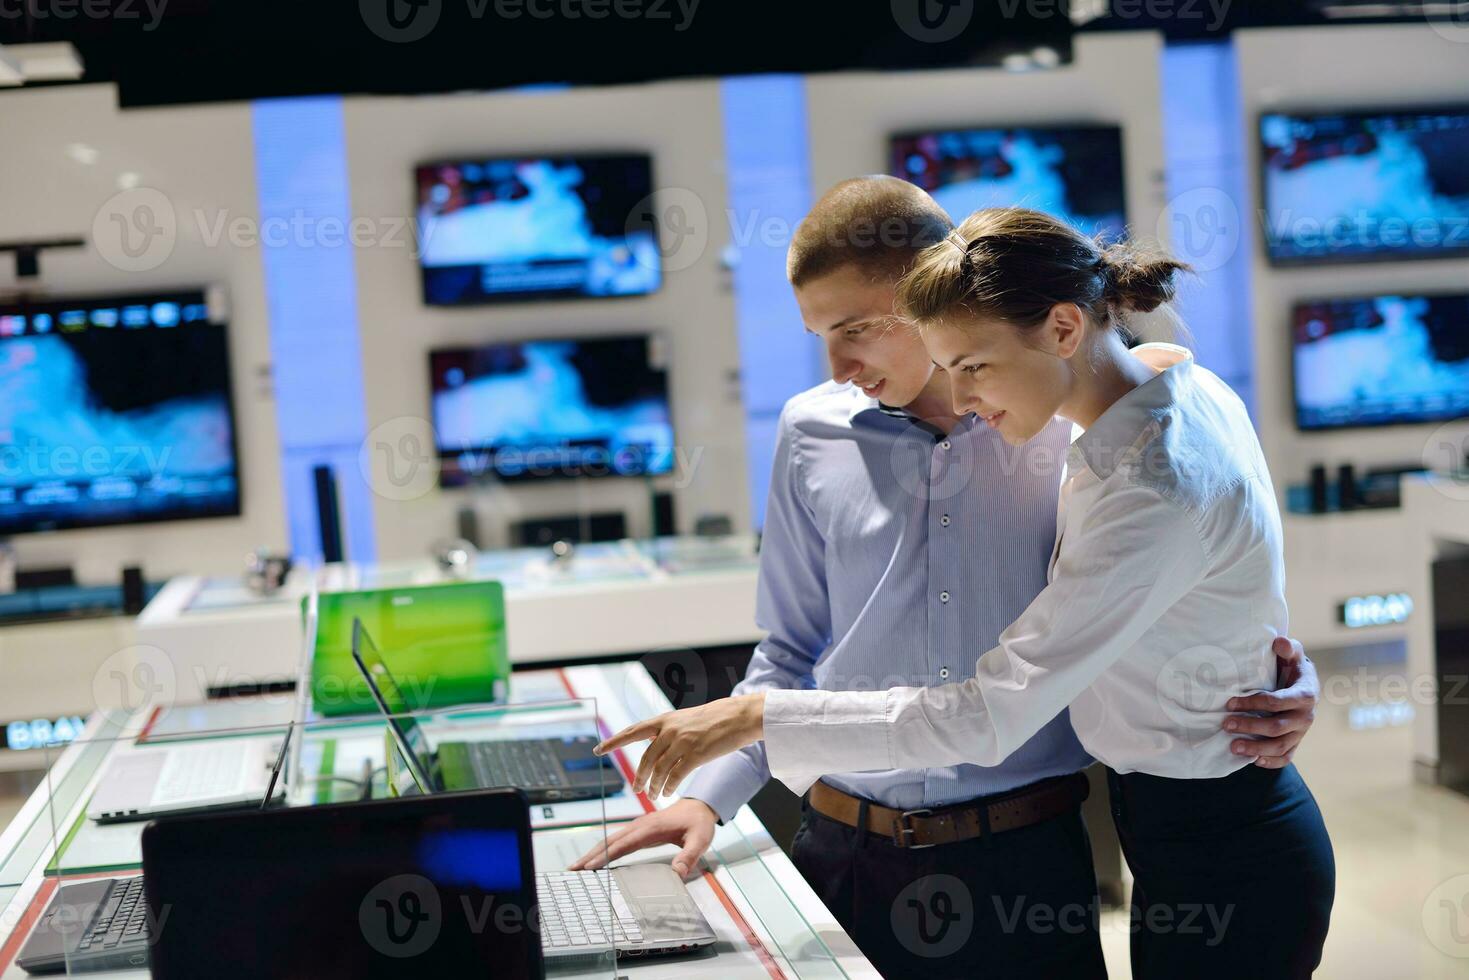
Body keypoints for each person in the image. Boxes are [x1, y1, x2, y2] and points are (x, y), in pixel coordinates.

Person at [579, 181, 1324, 979]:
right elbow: (793, 642)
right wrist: (708, 794)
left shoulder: (1067, 424)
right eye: (819, 335)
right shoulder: (812, 431)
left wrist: (1270, 671)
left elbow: (1177, 552)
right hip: (843, 844)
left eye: (855, 329)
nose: (837, 364)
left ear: (929, 293)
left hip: (1027, 854)